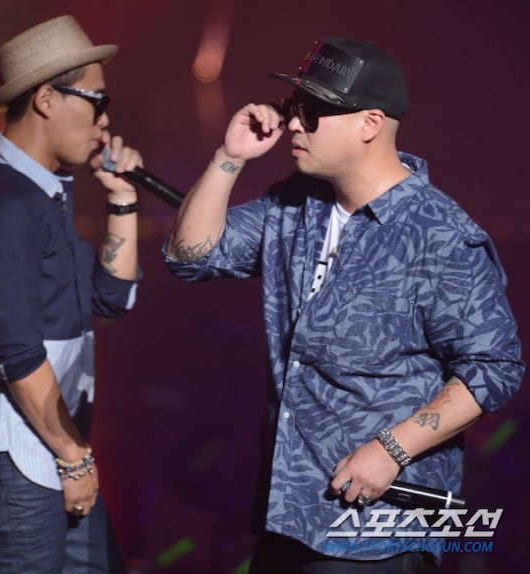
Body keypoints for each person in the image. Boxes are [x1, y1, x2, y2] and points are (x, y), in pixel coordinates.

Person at [163, 37, 524, 573]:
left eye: (312, 112)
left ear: (369, 123)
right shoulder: (293, 204)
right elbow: (191, 257)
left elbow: (494, 368)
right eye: (293, 107)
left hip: (377, 528)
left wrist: (392, 449)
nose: (293, 123)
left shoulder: (441, 236)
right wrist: (228, 159)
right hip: (288, 513)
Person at [0, 15, 141, 573]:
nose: (105, 120)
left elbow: (112, 298)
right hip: (15, 462)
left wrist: (121, 199)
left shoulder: (41, 193)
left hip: (51, 447)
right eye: (97, 102)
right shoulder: (7, 203)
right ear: (48, 99)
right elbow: (17, 351)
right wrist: (75, 459)